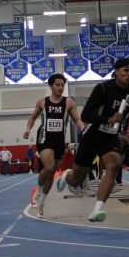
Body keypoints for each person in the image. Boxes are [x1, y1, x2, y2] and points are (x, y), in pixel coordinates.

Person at [56, 58, 129, 222]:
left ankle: (97, 209)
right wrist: (109, 119)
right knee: (76, 180)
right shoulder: (103, 88)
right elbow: (85, 115)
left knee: (114, 164)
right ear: (116, 71)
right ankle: (67, 175)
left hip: (110, 138)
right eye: (125, 70)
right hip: (92, 135)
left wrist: (123, 131)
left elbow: (127, 114)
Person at [24, 73, 84, 217]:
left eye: (62, 85)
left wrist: (82, 127)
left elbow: (77, 120)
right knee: (49, 167)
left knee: (51, 175)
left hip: (59, 141)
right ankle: (38, 192)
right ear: (51, 86)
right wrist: (28, 128)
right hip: (44, 139)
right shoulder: (42, 102)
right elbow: (32, 117)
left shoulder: (69, 103)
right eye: (57, 85)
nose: (60, 87)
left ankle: (42, 204)